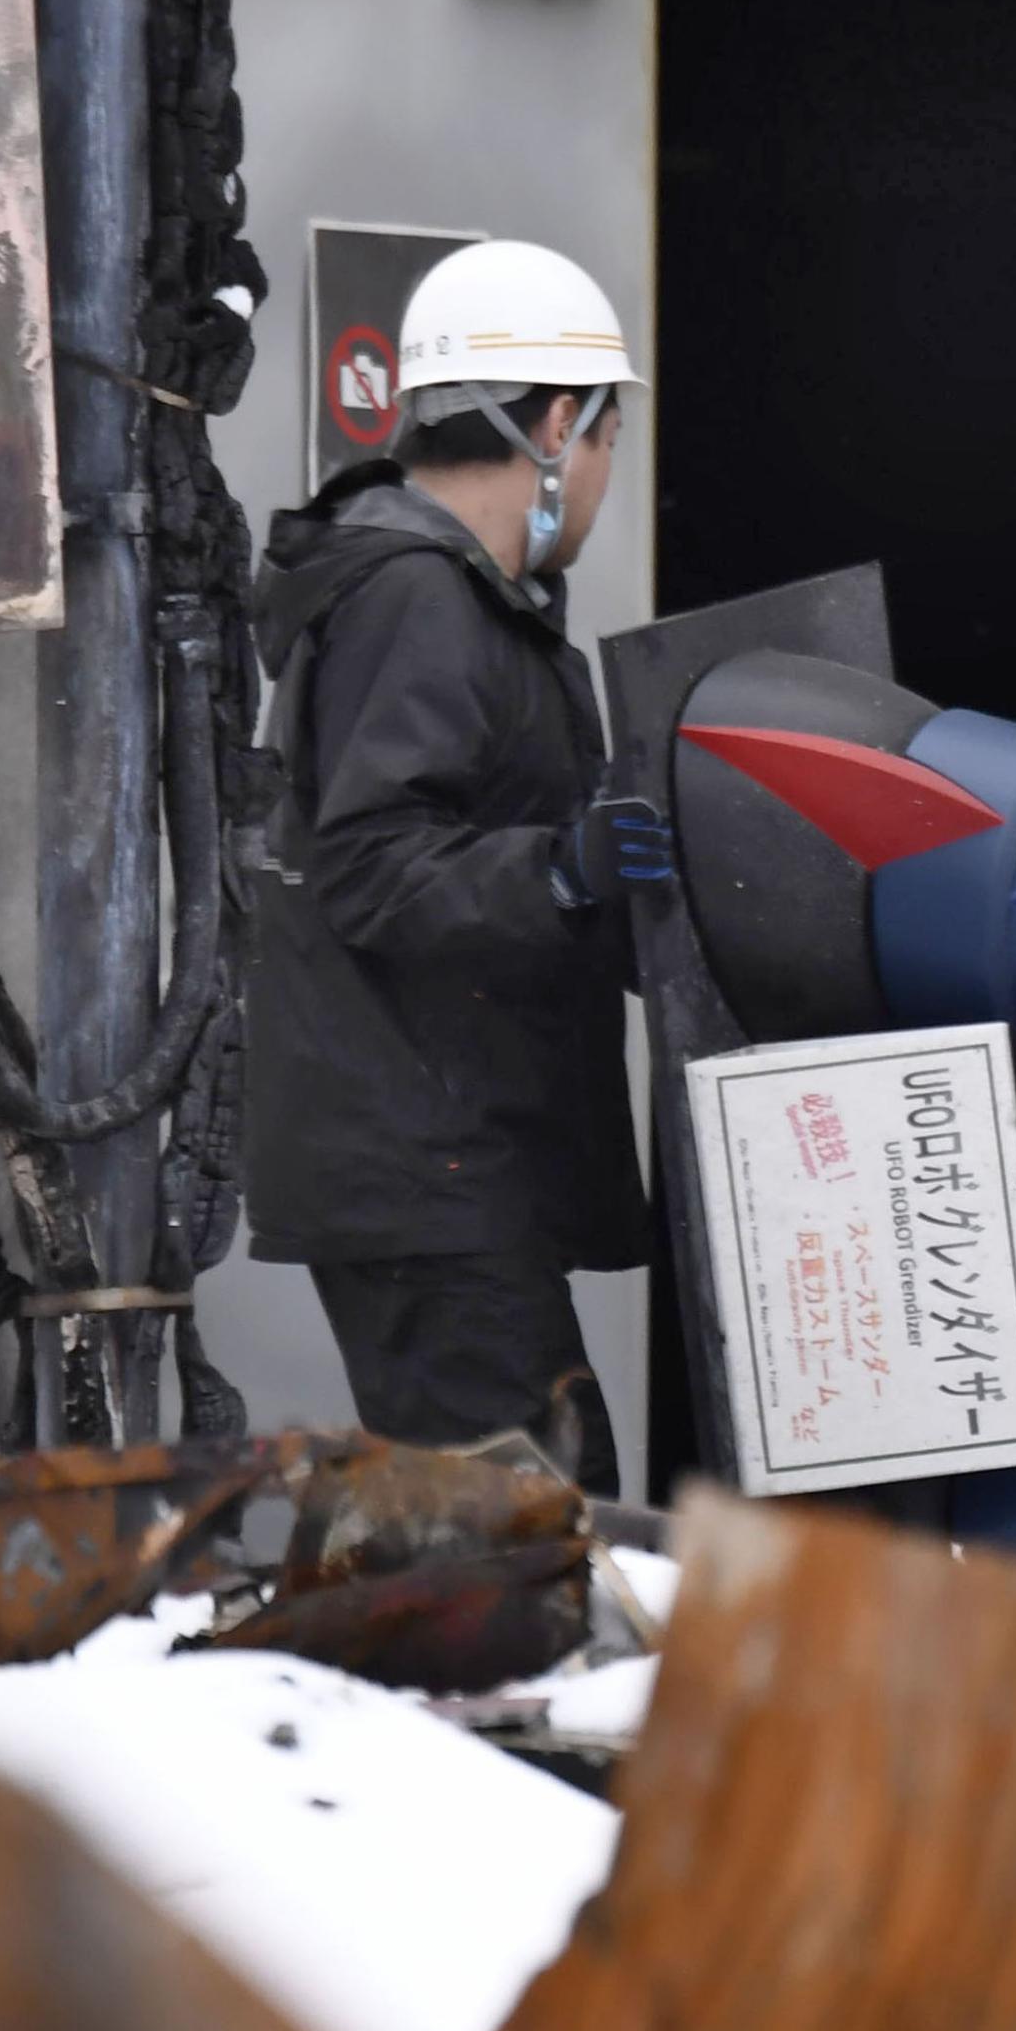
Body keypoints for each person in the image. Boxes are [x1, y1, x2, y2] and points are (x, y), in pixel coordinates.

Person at [241, 239, 663, 1496]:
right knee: (523, 1541)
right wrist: (566, 870)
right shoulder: (417, 598)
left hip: (451, 1163)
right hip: (427, 1169)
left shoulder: (461, 600)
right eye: (603, 443)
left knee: (527, 1518)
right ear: (553, 424)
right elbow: (372, 866)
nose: (599, 479)